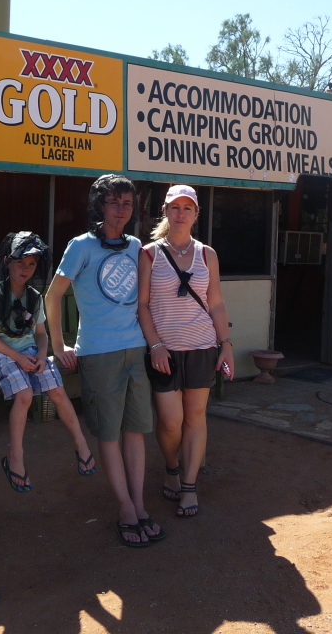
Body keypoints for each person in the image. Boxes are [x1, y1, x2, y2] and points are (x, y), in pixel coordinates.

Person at [46, 174, 165, 548]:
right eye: (114, 202)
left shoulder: (135, 247)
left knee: (135, 431)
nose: (120, 209)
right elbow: (52, 298)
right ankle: (125, 510)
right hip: (97, 353)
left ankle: (140, 506)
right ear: (100, 205)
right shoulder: (80, 247)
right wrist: (59, 345)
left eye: (127, 203)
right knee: (109, 434)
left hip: (135, 349)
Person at [0, 231, 95, 492]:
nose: (25, 269)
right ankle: (15, 456)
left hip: (29, 352)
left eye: (31, 264)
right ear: (8, 262)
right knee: (25, 394)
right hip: (1, 354)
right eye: (20, 262)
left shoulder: (35, 297)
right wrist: (17, 357)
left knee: (58, 391)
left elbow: (41, 334)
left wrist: (41, 356)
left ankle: (81, 444)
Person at [137, 185, 234, 518]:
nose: (181, 213)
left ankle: (189, 487)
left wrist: (226, 345)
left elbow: (216, 303)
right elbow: (143, 305)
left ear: (196, 214)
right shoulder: (149, 253)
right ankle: (171, 466)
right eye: (175, 207)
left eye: (187, 208)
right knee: (169, 421)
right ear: (165, 211)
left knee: (195, 418)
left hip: (202, 347)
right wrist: (155, 345)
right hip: (164, 351)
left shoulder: (208, 255)